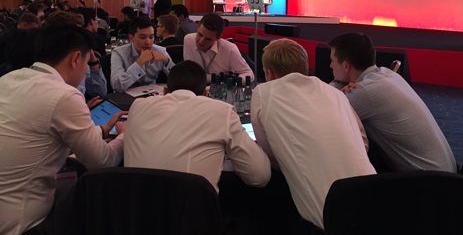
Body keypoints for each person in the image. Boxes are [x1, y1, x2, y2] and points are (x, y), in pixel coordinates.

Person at [0, 24, 125, 235]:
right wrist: (125, 136)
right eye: (86, 63)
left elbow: (38, 134)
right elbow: (102, 161)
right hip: (24, 223)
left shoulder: (9, 79)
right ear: (76, 58)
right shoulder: (64, 94)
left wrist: (102, 130)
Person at [251, 38, 375, 230]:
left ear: (269, 73)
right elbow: (363, 142)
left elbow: (270, 155)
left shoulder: (263, 93)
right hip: (379, 203)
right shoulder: (335, 93)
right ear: (306, 67)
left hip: (327, 221)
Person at [125, 60, 271, 191]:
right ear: (205, 94)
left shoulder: (137, 106)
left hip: (135, 213)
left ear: (164, 92)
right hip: (192, 216)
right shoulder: (222, 112)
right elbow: (259, 176)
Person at [329, 33, 457, 172]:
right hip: (445, 173)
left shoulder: (364, 92)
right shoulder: (387, 74)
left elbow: (320, 112)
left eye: (332, 61)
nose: (330, 65)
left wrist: (336, 85)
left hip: (431, 185)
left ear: (346, 66)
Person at [183, 12, 254, 82]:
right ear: (197, 27)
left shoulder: (229, 49)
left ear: (218, 38)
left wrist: (231, 81)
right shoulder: (189, 40)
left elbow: (248, 74)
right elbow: (189, 73)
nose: (201, 41)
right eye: (200, 34)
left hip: (222, 88)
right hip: (195, 86)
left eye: (208, 39)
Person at [111, 16, 174, 92]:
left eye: (151, 37)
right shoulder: (119, 53)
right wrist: (139, 63)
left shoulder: (160, 51)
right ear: (131, 38)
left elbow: (179, 80)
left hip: (152, 96)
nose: (148, 42)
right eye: (142, 37)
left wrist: (167, 61)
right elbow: (117, 86)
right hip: (126, 97)